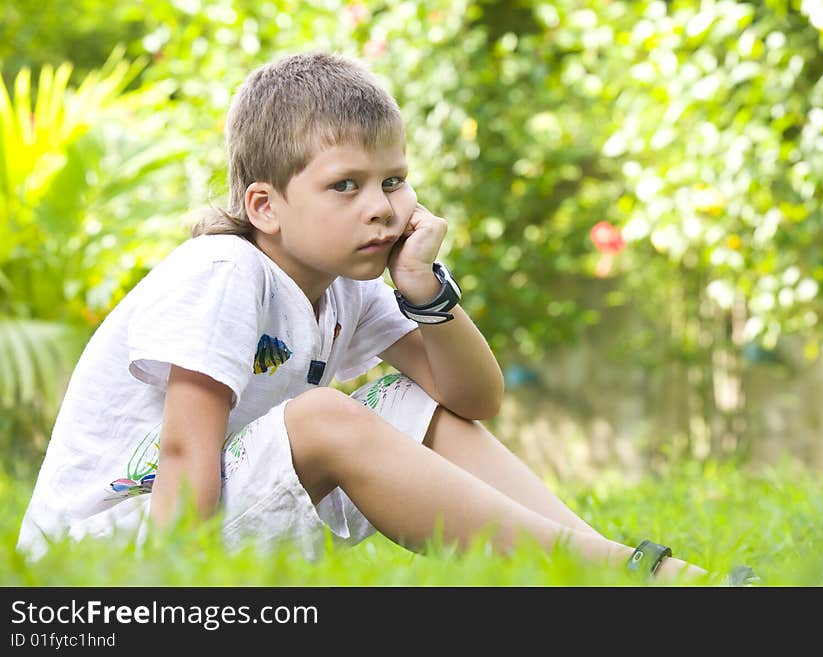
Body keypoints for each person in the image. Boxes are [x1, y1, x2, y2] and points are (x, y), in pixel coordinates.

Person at [17, 51, 717, 584]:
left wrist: (424, 290)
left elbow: (471, 400)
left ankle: (601, 567)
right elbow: (182, 451)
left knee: (408, 399)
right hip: (119, 559)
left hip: (202, 518)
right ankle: (619, 574)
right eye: (344, 186)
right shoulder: (225, 272)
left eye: (393, 181)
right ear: (265, 206)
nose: (380, 206)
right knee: (325, 415)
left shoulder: (351, 281)